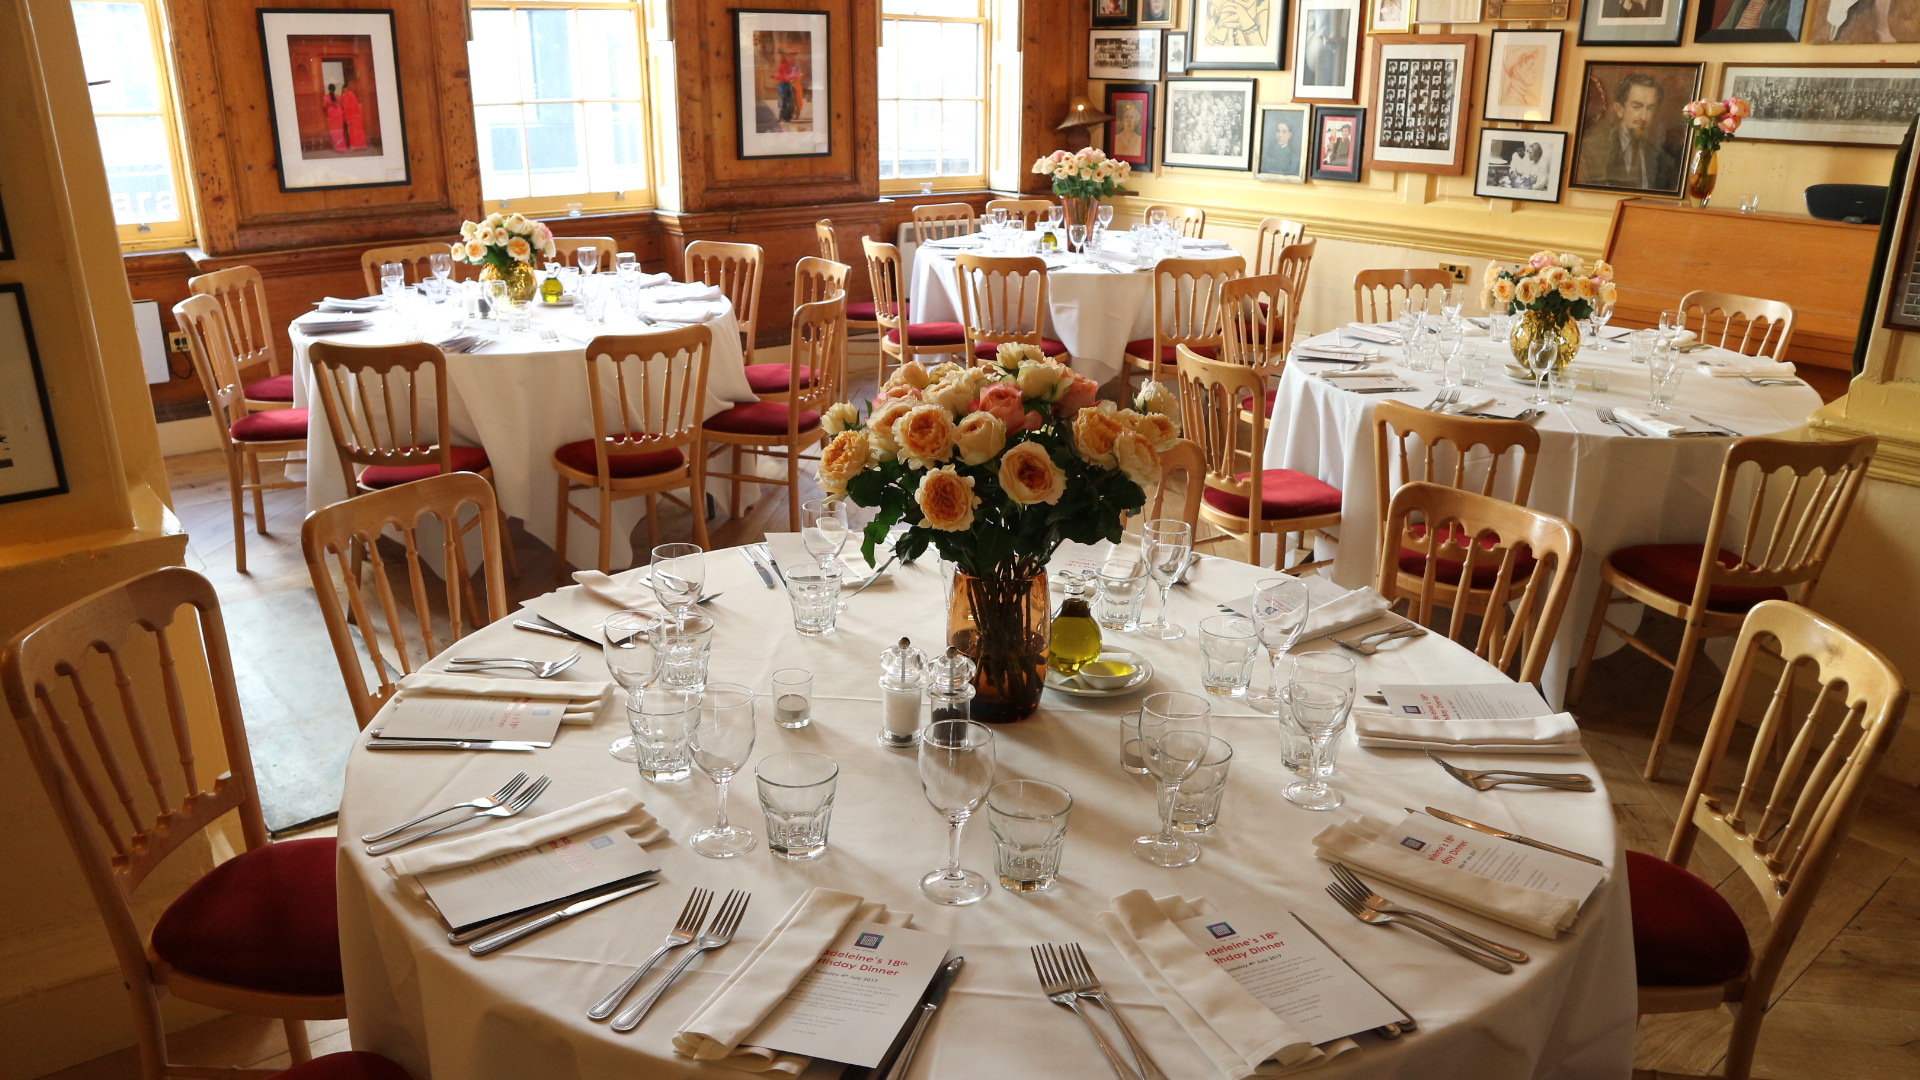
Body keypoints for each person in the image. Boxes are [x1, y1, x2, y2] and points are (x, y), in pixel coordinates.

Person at [1576, 73, 1677, 191]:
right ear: (1619, 109)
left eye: (1650, 108)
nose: (1643, 117)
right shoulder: (1591, 149)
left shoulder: (1663, 160)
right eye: (1637, 107)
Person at [774, 49, 802, 124]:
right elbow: (783, 74)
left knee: (791, 100)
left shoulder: (793, 63)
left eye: (793, 55)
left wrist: (788, 79)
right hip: (786, 83)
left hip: (791, 83)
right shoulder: (786, 63)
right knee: (787, 101)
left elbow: (795, 74)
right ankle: (786, 116)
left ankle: (791, 115)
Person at [341, 78, 366, 151]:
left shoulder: (347, 95)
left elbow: (346, 106)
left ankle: (354, 146)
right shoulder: (351, 94)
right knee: (358, 131)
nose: (343, 90)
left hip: (351, 116)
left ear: (345, 88)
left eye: (343, 89)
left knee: (352, 132)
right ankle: (361, 145)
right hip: (356, 116)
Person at [324, 83, 346, 153]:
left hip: (331, 114)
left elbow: (324, 106)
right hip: (339, 113)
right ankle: (342, 146)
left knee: (334, 130)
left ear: (328, 89)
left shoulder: (326, 97)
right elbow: (342, 105)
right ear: (335, 89)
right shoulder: (339, 97)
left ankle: (337, 146)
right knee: (340, 130)